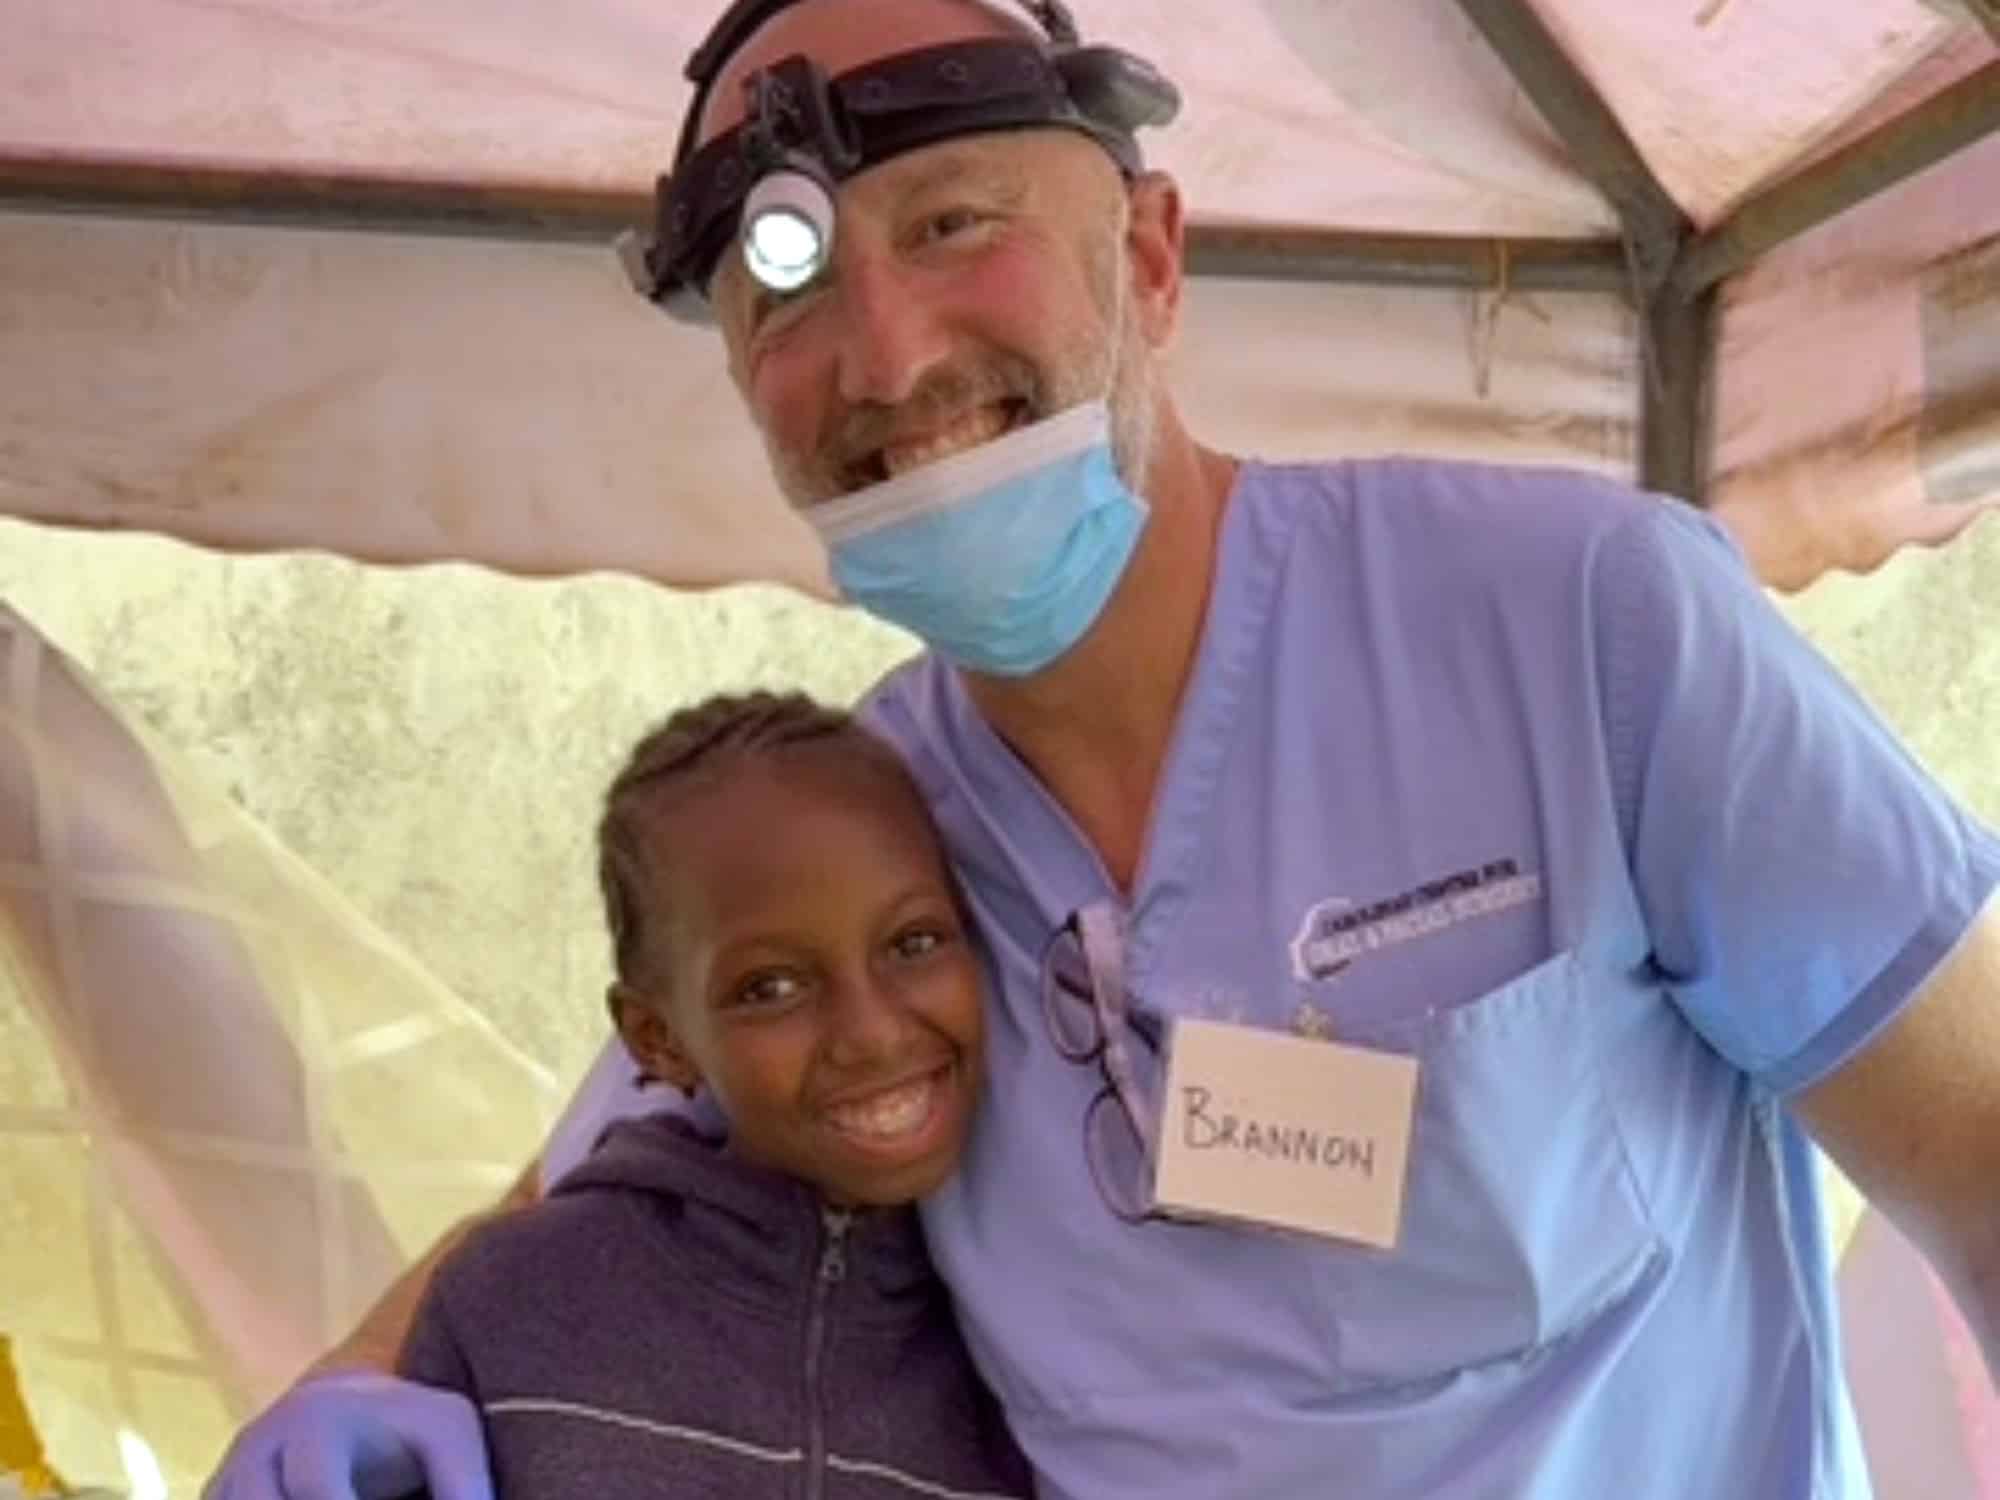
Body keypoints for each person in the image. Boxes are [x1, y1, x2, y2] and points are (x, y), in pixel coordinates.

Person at [207, 0, 2000, 1496]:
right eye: (791, 297)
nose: (887, 355)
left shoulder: (1588, 628)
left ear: (1149, 258)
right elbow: (601, 1167)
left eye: (953, 227)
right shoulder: (858, 832)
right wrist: (361, 1376)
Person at [390, 690, 1031, 1499]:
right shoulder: (514, 1300)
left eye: (915, 943)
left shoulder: (1024, 1347)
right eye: (771, 987)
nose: (871, 1034)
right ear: (659, 1040)